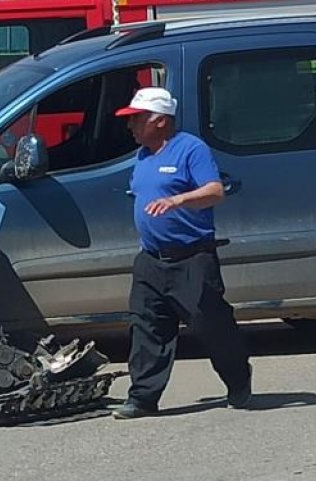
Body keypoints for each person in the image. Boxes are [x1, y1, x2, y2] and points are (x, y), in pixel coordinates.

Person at [111, 87, 252, 419]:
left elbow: (215, 191)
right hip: (151, 260)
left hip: (191, 259)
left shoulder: (190, 149)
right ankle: (143, 398)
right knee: (147, 327)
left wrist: (178, 200)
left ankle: (238, 378)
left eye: (136, 120)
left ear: (159, 121)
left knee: (210, 326)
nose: (130, 127)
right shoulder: (143, 156)